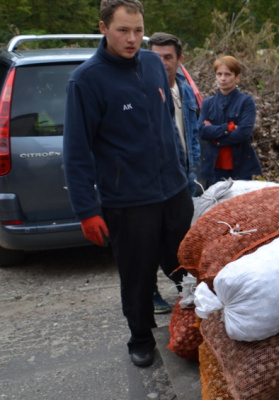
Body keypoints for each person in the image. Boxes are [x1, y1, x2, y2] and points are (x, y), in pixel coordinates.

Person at [63, 0, 193, 368]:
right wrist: (87, 210)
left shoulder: (154, 65)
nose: (133, 39)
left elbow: (167, 119)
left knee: (185, 265)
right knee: (137, 276)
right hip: (129, 199)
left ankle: (197, 323)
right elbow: (76, 151)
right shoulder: (86, 81)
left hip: (173, 190)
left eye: (138, 30)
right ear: (103, 28)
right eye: (123, 30)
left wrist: (181, 169)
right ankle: (140, 336)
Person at [147, 32, 201, 314]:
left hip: (184, 176)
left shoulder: (186, 91)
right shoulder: (144, 93)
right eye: (156, 57)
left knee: (180, 236)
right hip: (156, 178)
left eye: (168, 57)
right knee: (151, 236)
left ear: (180, 60)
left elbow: (192, 134)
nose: (163, 63)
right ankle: (151, 291)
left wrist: (194, 168)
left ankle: (184, 287)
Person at [198, 55, 261, 185]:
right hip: (214, 167)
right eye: (219, 74)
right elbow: (201, 132)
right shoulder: (208, 103)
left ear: (237, 77)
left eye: (227, 74)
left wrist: (214, 137)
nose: (223, 78)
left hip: (240, 167)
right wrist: (229, 127)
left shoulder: (246, 102)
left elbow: (243, 133)